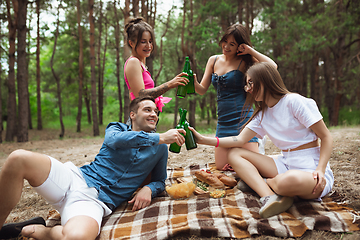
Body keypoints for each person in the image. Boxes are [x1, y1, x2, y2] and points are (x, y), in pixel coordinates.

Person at [0, 96, 186, 240]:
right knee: (18, 158)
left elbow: (160, 181)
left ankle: (37, 230)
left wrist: (148, 188)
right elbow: (116, 141)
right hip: (74, 178)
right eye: (147, 109)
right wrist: (159, 137)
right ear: (133, 115)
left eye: (156, 111)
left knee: (77, 237)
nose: (154, 114)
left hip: (96, 203)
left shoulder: (160, 149)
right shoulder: (117, 129)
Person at [189, 62, 334, 218]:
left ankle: (265, 182)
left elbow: (326, 137)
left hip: (310, 170)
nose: (248, 89)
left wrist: (320, 169)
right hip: (285, 163)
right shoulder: (262, 114)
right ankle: (269, 197)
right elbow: (238, 140)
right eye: (246, 85)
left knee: (289, 181)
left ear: (266, 79)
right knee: (235, 153)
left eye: (251, 82)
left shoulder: (294, 102)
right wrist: (203, 140)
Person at [193, 23, 277, 170]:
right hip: (223, 122)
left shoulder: (246, 62)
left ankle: (262, 155)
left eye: (232, 44)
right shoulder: (213, 60)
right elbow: (201, 90)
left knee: (249, 166)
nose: (226, 46)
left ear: (240, 46)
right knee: (221, 167)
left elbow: (272, 66)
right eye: (225, 41)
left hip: (243, 120)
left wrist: (250, 50)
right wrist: (193, 82)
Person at [124, 17, 188, 113]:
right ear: (131, 43)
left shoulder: (140, 63)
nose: (148, 46)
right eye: (143, 42)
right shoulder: (133, 62)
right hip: (139, 120)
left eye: (150, 41)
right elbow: (140, 95)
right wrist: (170, 84)